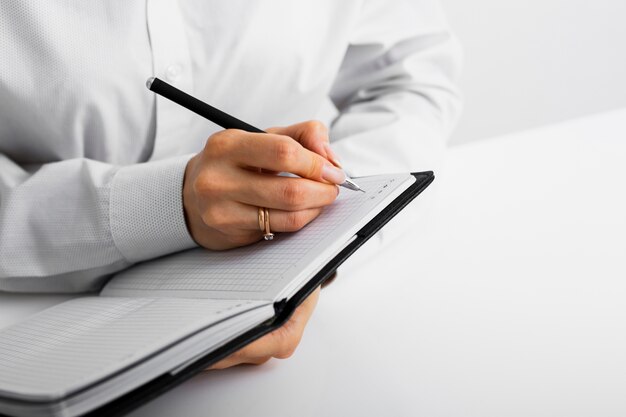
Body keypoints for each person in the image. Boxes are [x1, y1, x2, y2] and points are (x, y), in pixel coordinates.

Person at [0, 1, 461, 369]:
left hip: (286, 310)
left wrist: (313, 243)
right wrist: (164, 205)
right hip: (41, 314)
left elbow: (412, 78)